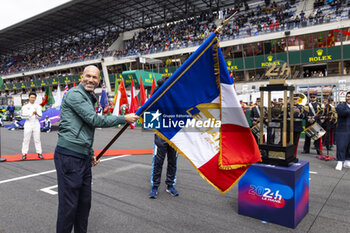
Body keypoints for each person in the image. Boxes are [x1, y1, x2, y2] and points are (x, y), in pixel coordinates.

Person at [54, 65, 139, 233]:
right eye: (88, 76)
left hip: (82, 157)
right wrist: (123, 118)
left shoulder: (88, 97)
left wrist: (90, 153)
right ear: (81, 77)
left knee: (84, 204)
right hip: (70, 157)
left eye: (95, 77)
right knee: (69, 206)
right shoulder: (75, 95)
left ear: (99, 80)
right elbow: (93, 120)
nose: (91, 80)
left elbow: (83, 129)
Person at [149, 78, 179, 199]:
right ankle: (155, 187)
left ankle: (170, 185)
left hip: (174, 134)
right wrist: (160, 88)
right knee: (158, 161)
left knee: (172, 161)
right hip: (161, 133)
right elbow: (151, 105)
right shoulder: (158, 93)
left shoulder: (177, 95)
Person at [21, 92, 44, 160]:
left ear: (35, 98)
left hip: (36, 123)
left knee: (37, 139)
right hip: (28, 123)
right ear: (29, 98)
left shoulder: (38, 106)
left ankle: (39, 153)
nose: (33, 99)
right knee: (26, 139)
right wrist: (31, 114)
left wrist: (36, 113)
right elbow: (22, 116)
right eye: (31, 97)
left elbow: (40, 116)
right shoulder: (25, 107)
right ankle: (24, 154)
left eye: (34, 97)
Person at [335, 91, 350, 171]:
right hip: (342, 130)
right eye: (348, 96)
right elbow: (343, 113)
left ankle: (347, 160)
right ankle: (340, 162)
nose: (349, 98)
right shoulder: (341, 105)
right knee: (341, 146)